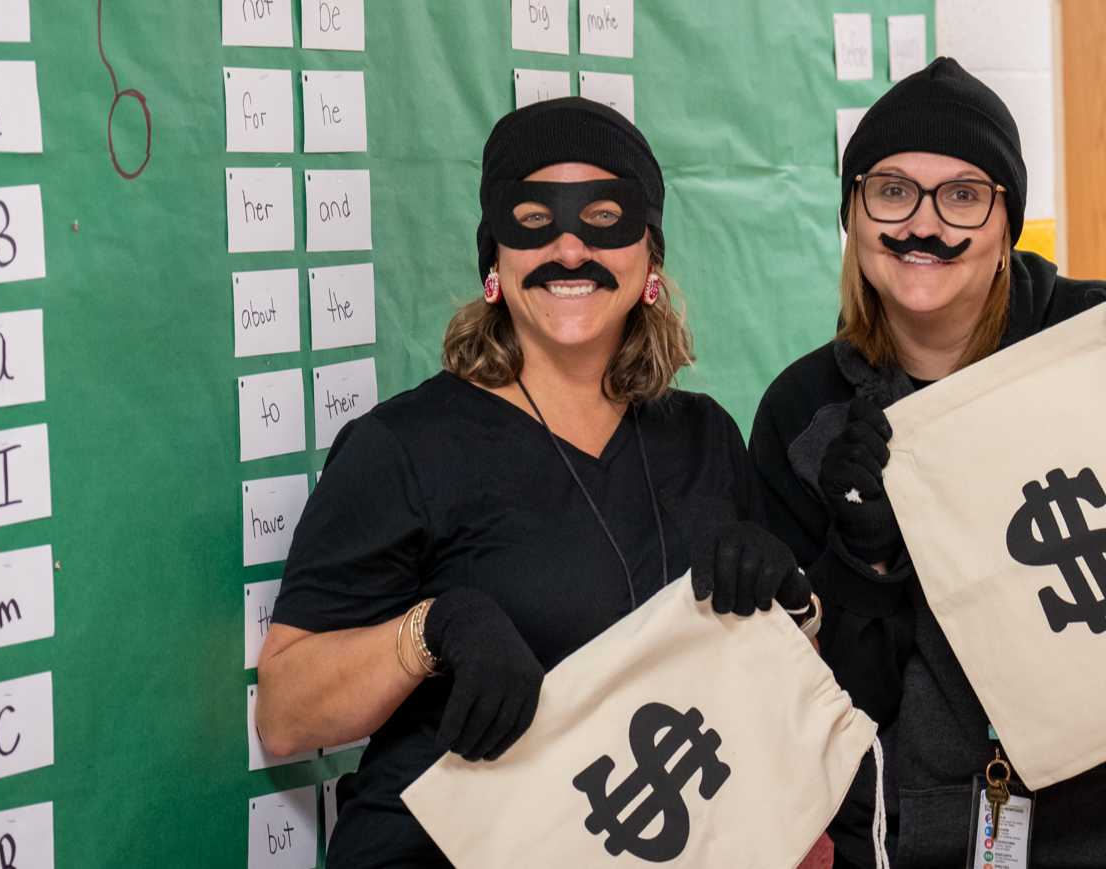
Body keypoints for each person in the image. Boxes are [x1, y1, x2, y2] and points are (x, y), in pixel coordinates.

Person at [749, 59, 1106, 868]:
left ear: (1007, 223)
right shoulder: (805, 418)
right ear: (851, 212)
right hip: (952, 846)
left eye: (963, 195)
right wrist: (866, 557)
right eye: (891, 190)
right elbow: (823, 716)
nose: (924, 224)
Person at [256, 97, 814, 869]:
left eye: (604, 218)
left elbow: (764, 668)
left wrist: (790, 597)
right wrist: (429, 631)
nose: (571, 249)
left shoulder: (705, 437)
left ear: (650, 259)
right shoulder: (404, 447)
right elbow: (284, 713)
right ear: (494, 261)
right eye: (535, 220)